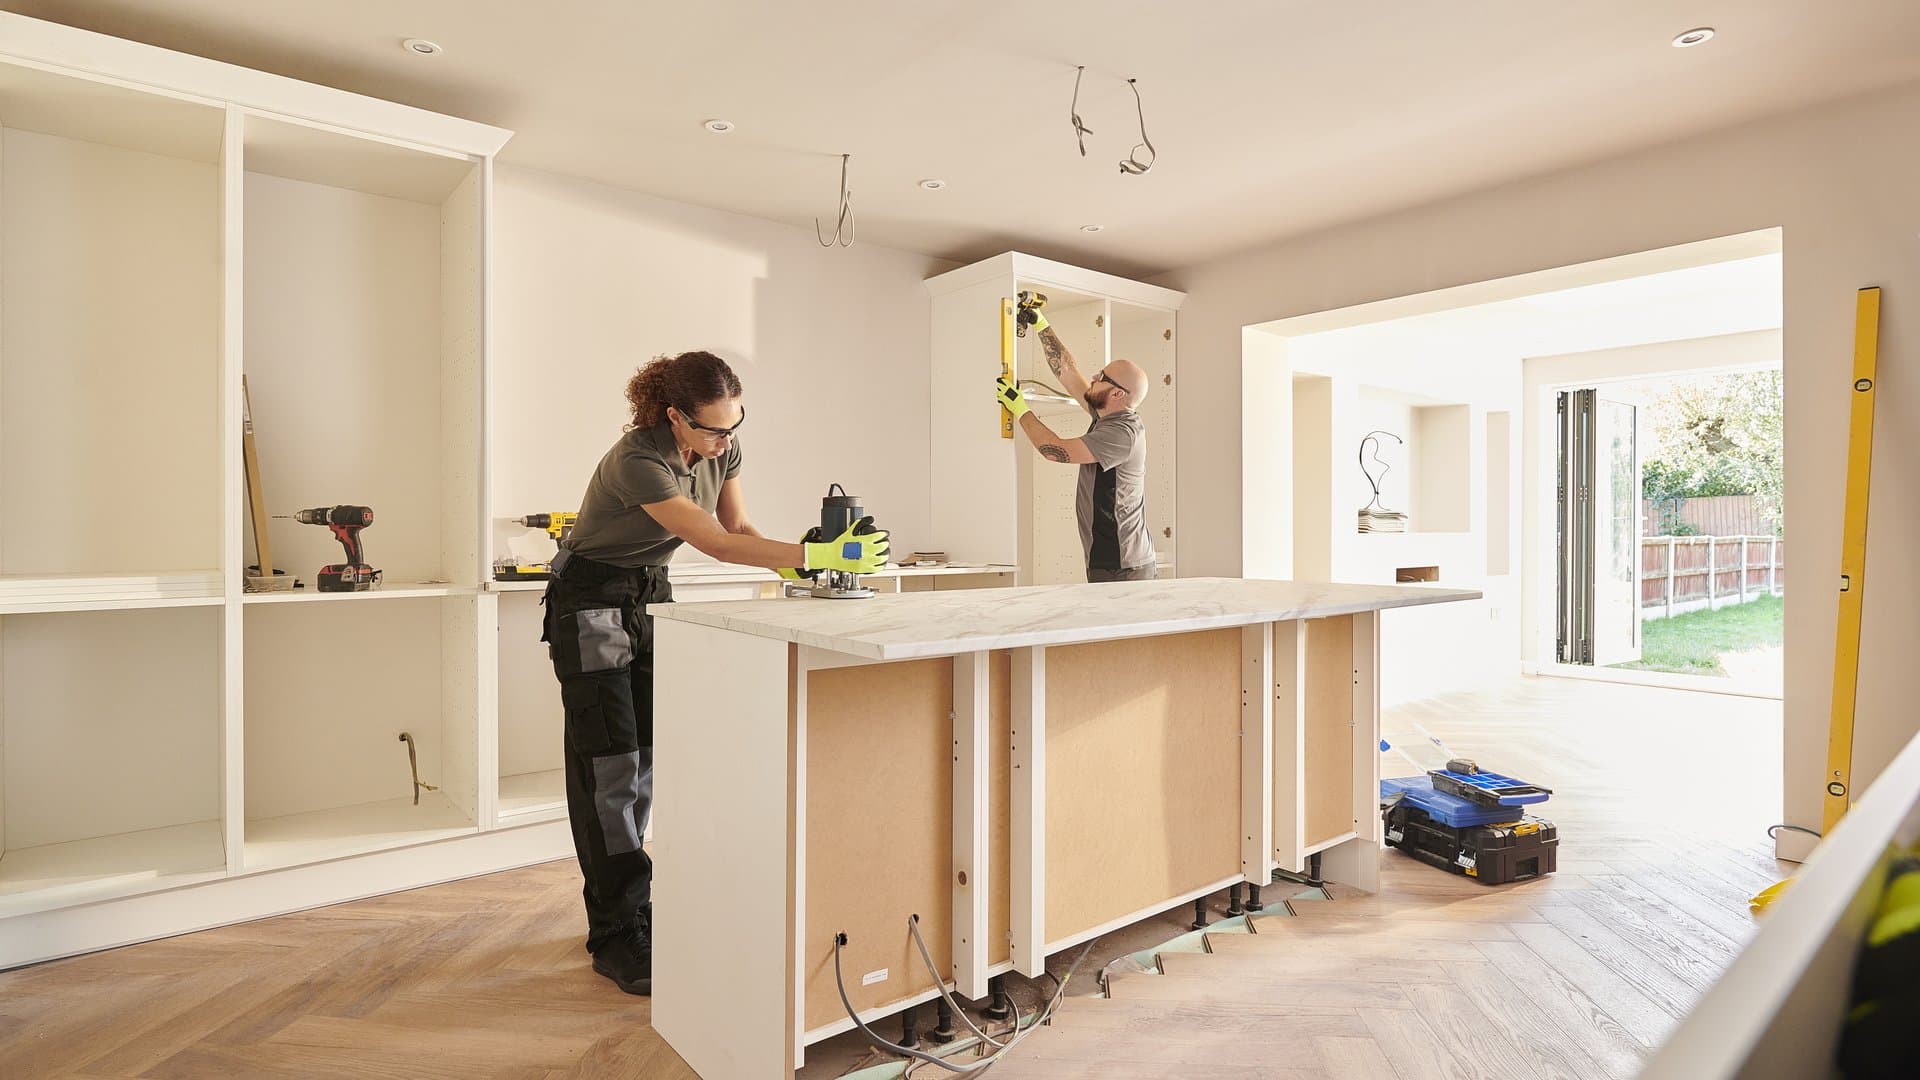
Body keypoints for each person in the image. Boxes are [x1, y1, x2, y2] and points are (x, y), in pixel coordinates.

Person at [544, 350, 888, 995]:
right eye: (712, 429)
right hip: (590, 601)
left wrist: (810, 560)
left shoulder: (722, 451)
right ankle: (614, 933)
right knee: (608, 768)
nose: (725, 441)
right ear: (675, 416)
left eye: (735, 425)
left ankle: (635, 908)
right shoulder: (637, 460)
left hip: (651, 595)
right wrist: (821, 554)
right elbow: (716, 543)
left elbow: (741, 526)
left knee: (645, 759)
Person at [993, 303, 1158, 582]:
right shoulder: (1105, 413)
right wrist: (1041, 324)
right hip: (1110, 558)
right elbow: (1068, 372)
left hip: (1123, 564)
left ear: (1117, 394)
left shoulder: (1122, 433)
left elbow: (1055, 451)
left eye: (1102, 378)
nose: (1094, 377)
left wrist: (1019, 408)